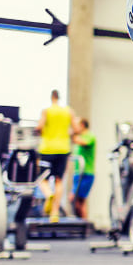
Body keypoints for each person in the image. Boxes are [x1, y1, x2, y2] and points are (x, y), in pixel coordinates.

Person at [35, 89, 76, 223]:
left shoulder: (47, 111)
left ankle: (48, 194)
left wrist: (42, 132)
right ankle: (54, 213)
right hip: (63, 148)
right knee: (59, 181)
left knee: (42, 179)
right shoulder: (68, 111)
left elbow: (39, 127)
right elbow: (75, 129)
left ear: (52, 97)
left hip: (47, 149)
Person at [71, 118, 95, 223]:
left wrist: (71, 133)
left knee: (77, 199)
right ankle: (81, 223)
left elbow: (82, 142)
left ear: (82, 125)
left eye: (76, 125)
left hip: (86, 173)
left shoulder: (89, 136)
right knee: (78, 201)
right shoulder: (79, 137)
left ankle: (83, 224)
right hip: (78, 173)